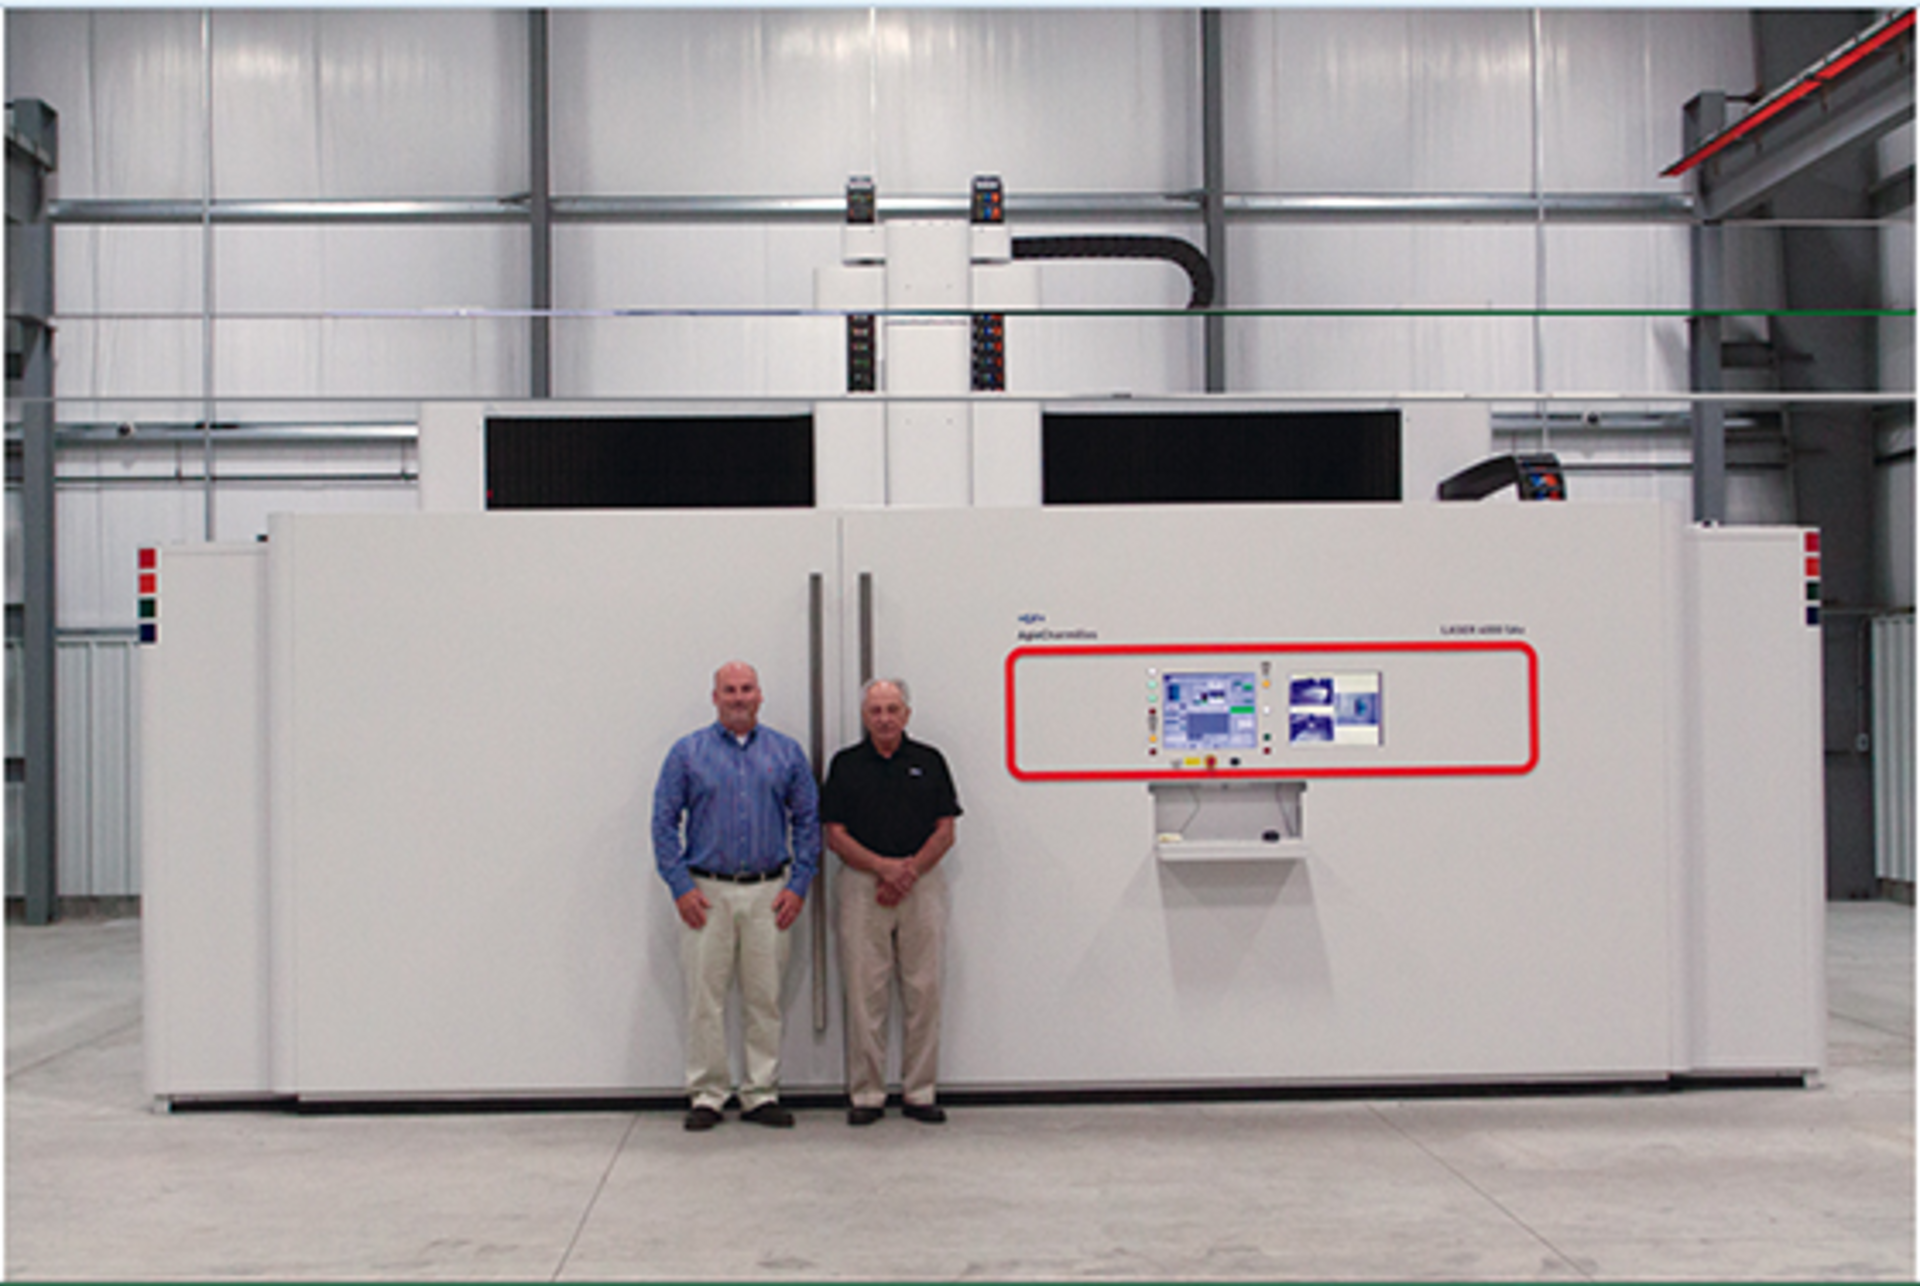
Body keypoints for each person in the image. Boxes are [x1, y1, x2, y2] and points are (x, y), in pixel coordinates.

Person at [653, 661, 820, 1132]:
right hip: (706, 893)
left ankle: (760, 1092)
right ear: (715, 697)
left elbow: (808, 822)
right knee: (705, 998)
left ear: (760, 696)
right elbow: (664, 822)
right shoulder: (687, 754)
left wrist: (798, 885)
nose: (739, 697)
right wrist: (681, 886)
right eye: (730, 690)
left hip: (770, 892)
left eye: (747, 689)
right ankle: (707, 1093)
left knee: (764, 997)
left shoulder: (786, 754)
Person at [821, 678, 962, 1126]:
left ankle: (920, 1091)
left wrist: (909, 871)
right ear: (865, 716)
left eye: (892, 709)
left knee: (924, 989)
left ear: (907, 714)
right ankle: (866, 1094)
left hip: (921, 884)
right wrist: (883, 868)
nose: (884, 718)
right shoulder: (845, 765)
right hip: (863, 887)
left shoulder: (930, 761)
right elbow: (834, 834)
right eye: (875, 710)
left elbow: (946, 828)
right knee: (865, 993)